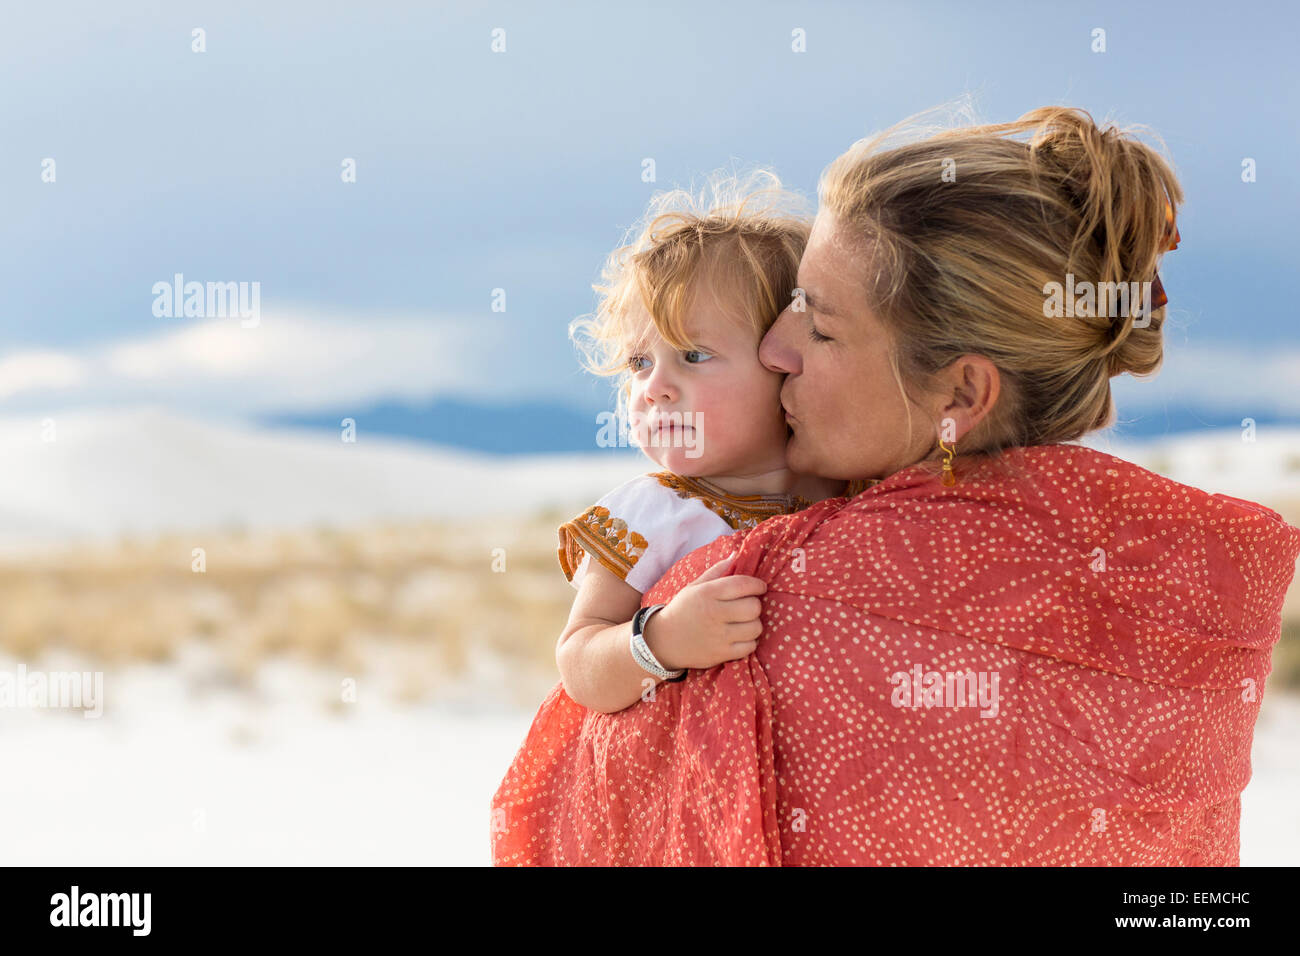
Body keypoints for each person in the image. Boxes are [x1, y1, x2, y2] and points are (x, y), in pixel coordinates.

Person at [491, 106, 1300, 865]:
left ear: (959, 396)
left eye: (821, 323)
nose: (776, 348)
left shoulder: (809, 583)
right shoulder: (1181, 571)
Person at [554, 171, 868, 715]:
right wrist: (664, 640)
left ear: (785, 360)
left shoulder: (853, 491)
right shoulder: (651, 515)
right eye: (640, 363)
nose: (654, 388)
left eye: (694, 356)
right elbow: (579, 662)